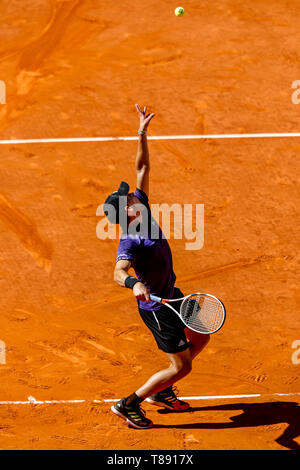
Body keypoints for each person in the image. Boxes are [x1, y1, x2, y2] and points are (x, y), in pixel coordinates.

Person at [104, 104, 210, 429]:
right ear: (128, 211)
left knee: (201, 335)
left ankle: (160, 390)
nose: (134, 194)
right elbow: (118, 271)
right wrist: (132, 284)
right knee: (182, 367)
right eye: (129, 197)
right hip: (157, 307)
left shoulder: (142, 209)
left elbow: (142, 167)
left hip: (171, 294)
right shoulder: (130, 241)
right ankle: (129, 403)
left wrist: (141, 132)